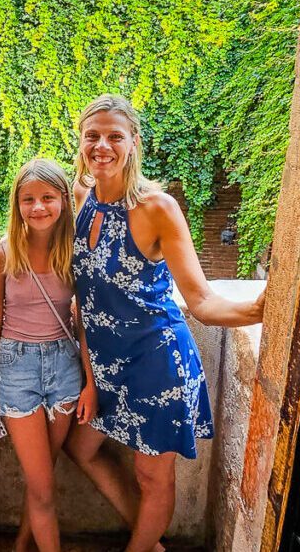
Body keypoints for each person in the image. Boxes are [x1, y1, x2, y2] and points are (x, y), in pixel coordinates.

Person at [67, 94, 265, 552]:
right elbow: (78, 293)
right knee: (79, 450)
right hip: (107, 368)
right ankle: (149, 541)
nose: (102, 146)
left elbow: (200, 300)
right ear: (80, 142)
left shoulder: (158, 208)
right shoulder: (81, 199)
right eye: (92, 136)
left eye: (115, 136)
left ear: (134, 142)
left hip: (158, 366)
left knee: (151, 476)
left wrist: (259, 310)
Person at [0, 158, 97, 552]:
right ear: (17, 204)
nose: (38, 207)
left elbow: (82, 324)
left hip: (65, 367)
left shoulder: (74, 253)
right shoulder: (1, 254)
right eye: (28, 199)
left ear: (63, 199)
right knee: (43, 486)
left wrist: (90, 383)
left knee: (43, 475)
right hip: (16, 370)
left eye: (47, 197)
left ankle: (21, 544)